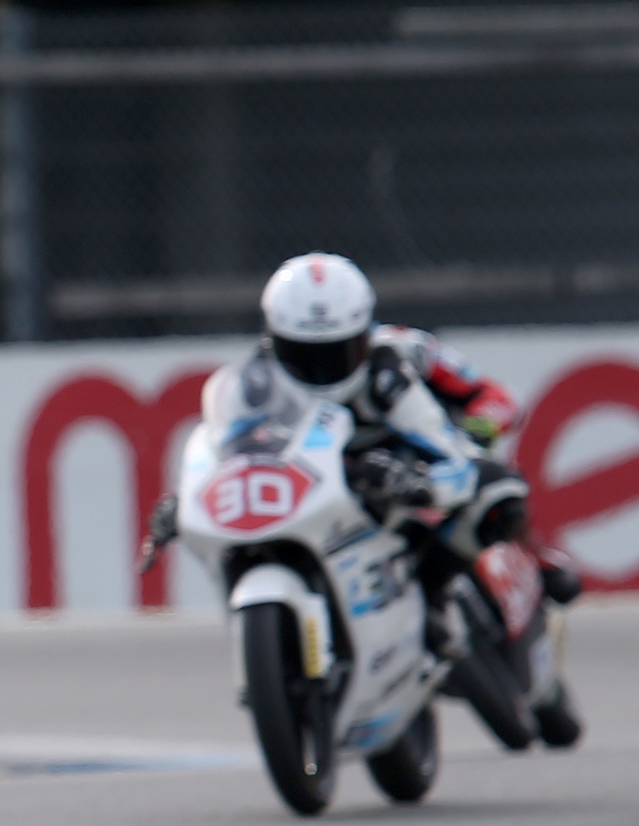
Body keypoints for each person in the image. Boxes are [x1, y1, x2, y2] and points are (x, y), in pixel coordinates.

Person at [236, 251, 575, 652]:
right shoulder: (258, 381)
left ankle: (520, 561)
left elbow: (498, 399)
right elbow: (232, 445)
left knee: (498, 486)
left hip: (417, 460)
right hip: (325, 480)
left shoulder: (406, 352)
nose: (320, 370)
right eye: (302, 354)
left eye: (337, 353)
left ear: (364, 333)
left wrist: (468, 436)